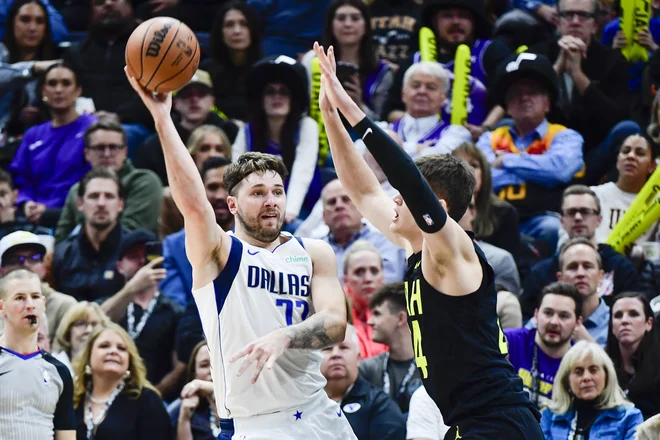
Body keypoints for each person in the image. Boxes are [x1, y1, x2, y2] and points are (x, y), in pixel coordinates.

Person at [314, 42, 543, 439]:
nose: (393, 200)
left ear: (433, 205)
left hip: (499, 422)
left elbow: (405, 178)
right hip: (467, 422)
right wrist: (330, 115)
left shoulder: (454, 253)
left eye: (403, 196)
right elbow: (363, 190)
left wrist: (353, 111)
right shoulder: (414, 245)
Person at [125, 63, 356, 439]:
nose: (271, 202)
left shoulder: (313, 252)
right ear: (232, 205)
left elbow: (334, 325)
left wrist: (286, 336)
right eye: (258, 193)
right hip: (259, 424)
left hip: (319, 414)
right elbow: (195, 204)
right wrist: (163, 119)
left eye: (277, 192)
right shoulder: (220, 253)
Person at [0, 268, 76, 439]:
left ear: (43, 304)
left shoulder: (60, 371)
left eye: (35, 297)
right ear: (2, 307)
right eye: (20, 298)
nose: (29, 305)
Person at [71, 323, 173, 439]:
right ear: (88, 357)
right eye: (104, 346)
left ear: (129, 361)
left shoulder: (147, 400)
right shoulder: (72, 399)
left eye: (122, 348)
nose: (114, 351)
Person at [540, 340, 643, 438]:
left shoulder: (630, 418)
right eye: (578, 371)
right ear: (567, 380)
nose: (586, 377)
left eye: (593, 370)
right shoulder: (548, 417)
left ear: (606, 376)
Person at [504, 282, 583, 410]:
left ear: (578, 323)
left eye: (564, 316)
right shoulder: (510, 342)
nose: (554, 322)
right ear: (536, 315)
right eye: (548, 313)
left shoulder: (581, 363)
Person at [321, 324, 407, 440]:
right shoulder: (301, 402)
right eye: (327, 348)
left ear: (358, 358)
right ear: (314, 359)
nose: (335, 354)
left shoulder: (380, 406)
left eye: (344, 348)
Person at [359, 282, 422, 415]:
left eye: (377, 314)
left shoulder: (431, 368)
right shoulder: (367, 369)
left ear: (400, 318)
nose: (370, 322)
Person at [606, 292, 660, 420]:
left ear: (649, 323)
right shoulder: (601, 366)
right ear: (612, 326)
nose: (625, 320)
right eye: (618, 316)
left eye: (633, 314)